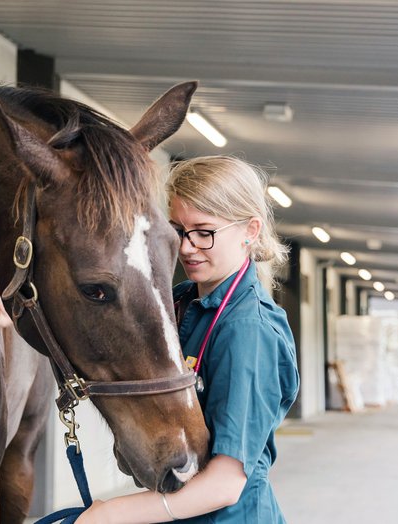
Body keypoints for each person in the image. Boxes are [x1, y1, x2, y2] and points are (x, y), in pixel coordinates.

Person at [72, 155, 300, 523]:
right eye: (179, 230)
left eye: (204, 232)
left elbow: (226, 483)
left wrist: (112, 514)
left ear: (251, 231)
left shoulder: (248, 330)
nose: (188, 247)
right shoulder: (181, 302)